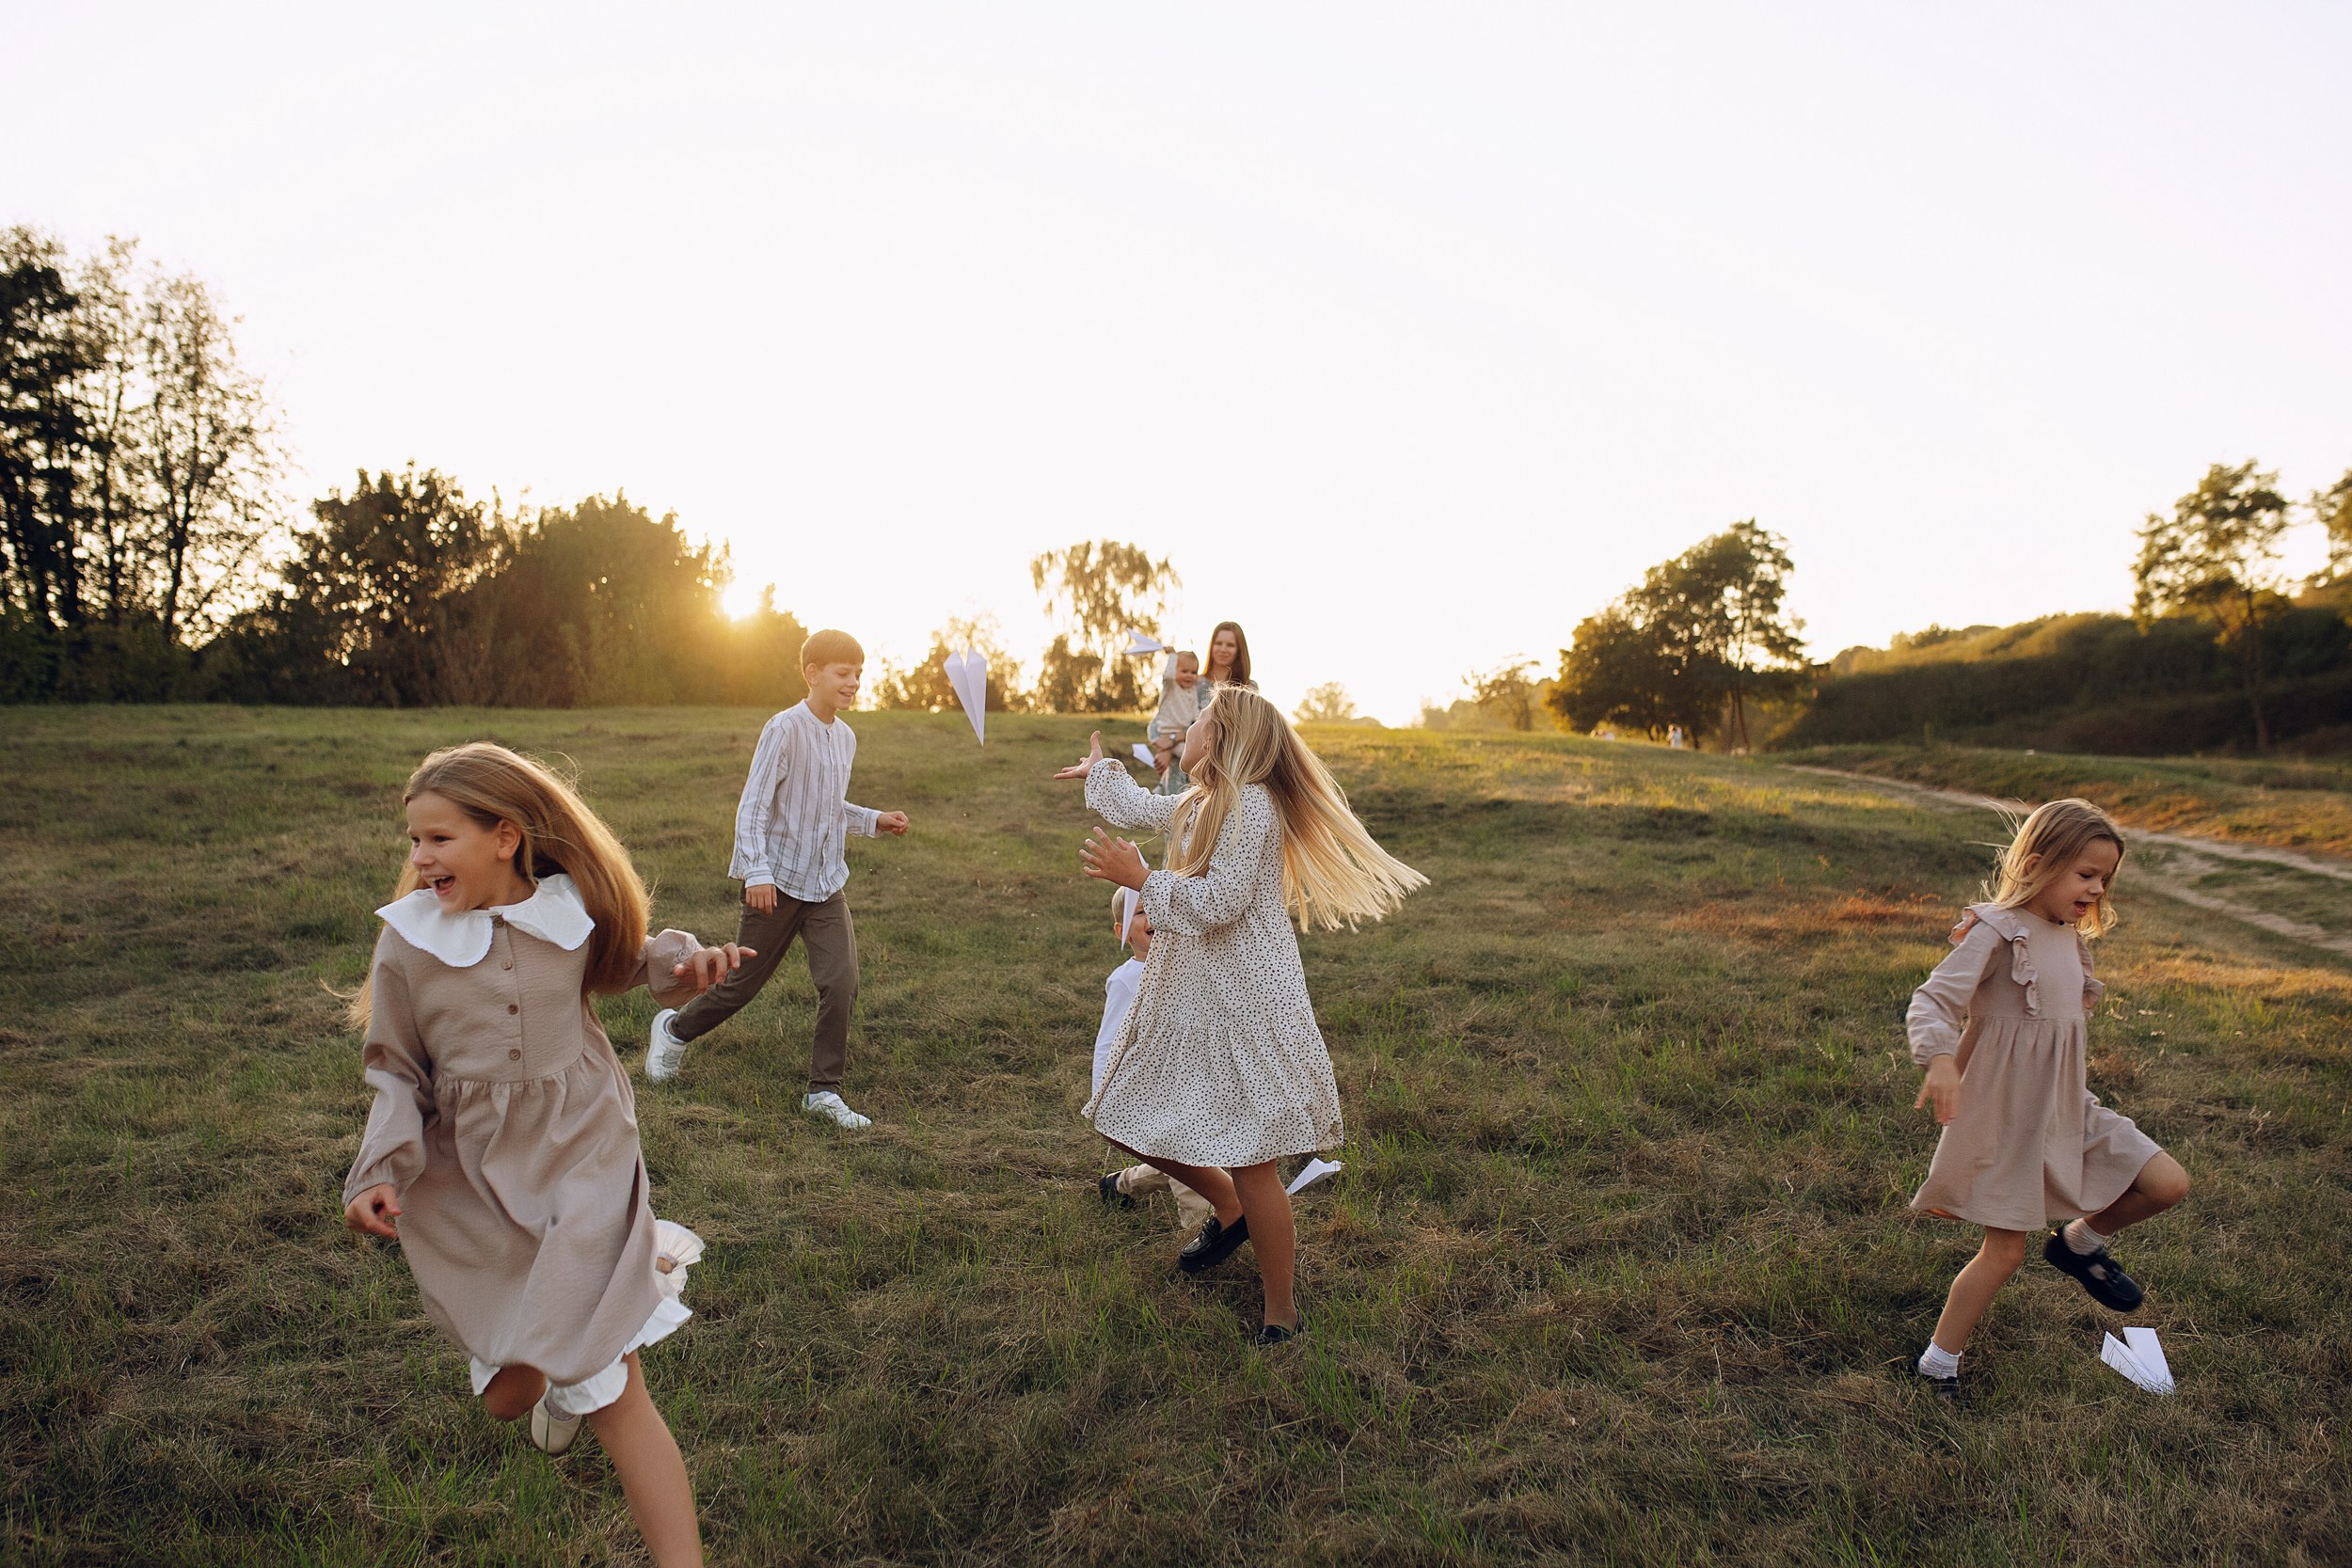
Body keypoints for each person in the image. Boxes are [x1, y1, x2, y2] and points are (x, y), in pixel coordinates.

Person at [342, 743, 752, 1567]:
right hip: (477, 1179)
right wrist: (378, 1167)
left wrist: (688, 964)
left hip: (581, 1155)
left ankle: (601, 1343)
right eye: (415, 839)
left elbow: (630, 961)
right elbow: (394, 1069)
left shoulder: (566, 914)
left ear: (505, 837)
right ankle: (565, 1368)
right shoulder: (408, 945)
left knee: (617, 1391)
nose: (421, 856)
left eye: (440, 838)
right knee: (506, 1395)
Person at [1054, 685, 1426, 1342]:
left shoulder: (1251, 805)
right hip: (1194, 994)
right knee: (1127, 1115)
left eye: (1198, 719)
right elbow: (1145, 807)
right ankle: (1228, 1209)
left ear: (1221, 738)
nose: (1187, 727)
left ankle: (1281, 1313)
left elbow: (1221, 901)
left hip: (1245, 1003)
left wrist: (1143, 881)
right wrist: (1102, 772)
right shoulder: (1203, 799)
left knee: (1254, 1161)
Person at [1903, 799, 2190, 1401]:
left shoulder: (2068, 937)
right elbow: (1933, 1000)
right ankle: (1937, 1365)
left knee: (2167, 1183)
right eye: (2086, 874)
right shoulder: (1997, 930)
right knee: (2004, 1253)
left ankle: (2078, 1245)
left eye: (2105, 878)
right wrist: (1940, 1059)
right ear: (2036, 865)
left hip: (2067, 1106)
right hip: (2007, 1117)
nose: (2097, 889)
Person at [645, 628, 911, 1128]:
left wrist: (875, 819)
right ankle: (675, 1031)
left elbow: (827, 807)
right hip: (776, 883)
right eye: (843, 673)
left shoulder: (846, 737)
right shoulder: (784, 728)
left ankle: (823, 1093)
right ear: (812, 674)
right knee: (741, 986)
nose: (853, 683)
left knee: (841, 982)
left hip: (826, 884)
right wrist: (757, 872)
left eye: (858, 674)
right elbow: (753, 806)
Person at [1092, 886, 1215, 1234]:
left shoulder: (1186, 966)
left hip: (1194, 1077)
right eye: (1141, 912)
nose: (1153, 918)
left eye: (1158, 909)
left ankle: (1122, 1185)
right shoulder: (1127, 980)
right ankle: (1202, 1236)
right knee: (1185, 1153)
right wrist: (1102, 1091)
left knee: (1191, 1152)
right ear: (1123, 932)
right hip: (1154, 1086)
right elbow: (1109, 1041)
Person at [1150, 650, 1202, 793]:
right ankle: (1197, 784)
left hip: (1183, 735)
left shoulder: (1192, 690)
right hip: (1168, 733)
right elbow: (1167, 676)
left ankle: (1163, 787)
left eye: (1193, 672)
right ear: (1175, 671)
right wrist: (1172, 656)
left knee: (1193, 755)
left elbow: (1195, 712)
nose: (1189, 676)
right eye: (1184, 671)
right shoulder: (1170, 686)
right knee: (1191, 757)